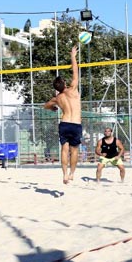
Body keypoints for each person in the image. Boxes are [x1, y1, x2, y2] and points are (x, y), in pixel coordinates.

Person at [44, 46, 82, 184]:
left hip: (64, 123)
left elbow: (46, 105)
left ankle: (64, 175)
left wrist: (53, 108)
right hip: (76, 124)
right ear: (64, 83)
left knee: (64, 150)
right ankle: (72, 174)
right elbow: (75, 71)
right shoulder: (73, 89)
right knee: (74, 150)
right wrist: (73, 56)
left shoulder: (57, 98)